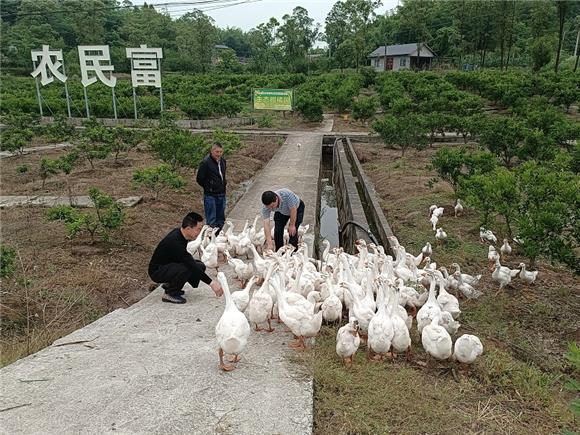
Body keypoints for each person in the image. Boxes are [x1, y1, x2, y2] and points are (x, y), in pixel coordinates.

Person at [148, 212, 223, 304]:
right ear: (188, 228)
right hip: (157, 271)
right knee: (187, 268)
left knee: (200, 266)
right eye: (198, 229)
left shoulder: (180, 234)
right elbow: (189, 263)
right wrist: (212, 283)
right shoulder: (175, 241)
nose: (200, 233)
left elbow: (188, 261)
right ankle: (170, 294)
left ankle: (171, 285)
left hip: (167, 266)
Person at [196, 143, 227, 232]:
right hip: (211, 195)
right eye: (217, 152)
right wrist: (209, 187)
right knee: (211, 220)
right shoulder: (206, 163)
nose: (219, 154)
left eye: (221, 152)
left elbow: (222, 176)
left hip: (221, 194)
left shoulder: (223, 162)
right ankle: (210, 239)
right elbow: (199, 179)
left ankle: (218, 237)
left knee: (220, 219)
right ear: (212, 151)